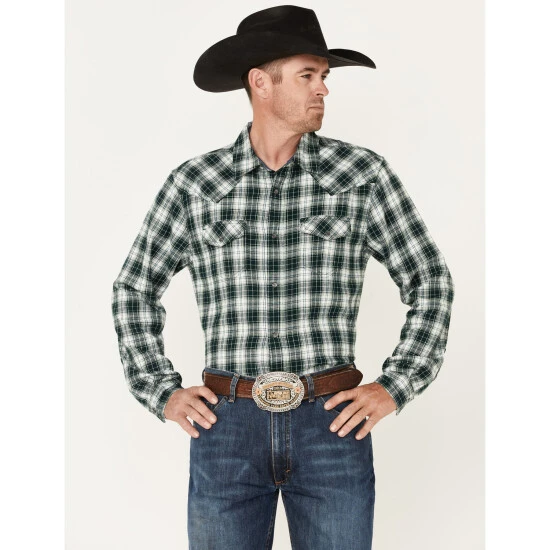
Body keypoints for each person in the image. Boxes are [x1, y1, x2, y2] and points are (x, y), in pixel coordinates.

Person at [111, 5, 455, 549]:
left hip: (332, 426)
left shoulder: (361, 175)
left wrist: (396, 385)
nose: (323, 89)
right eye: (307, 75)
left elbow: (430, 280)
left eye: (324, 75)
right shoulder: (195, 183)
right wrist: (161, 390)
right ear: (260, 82)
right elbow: (134, 287)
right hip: (226, 428)